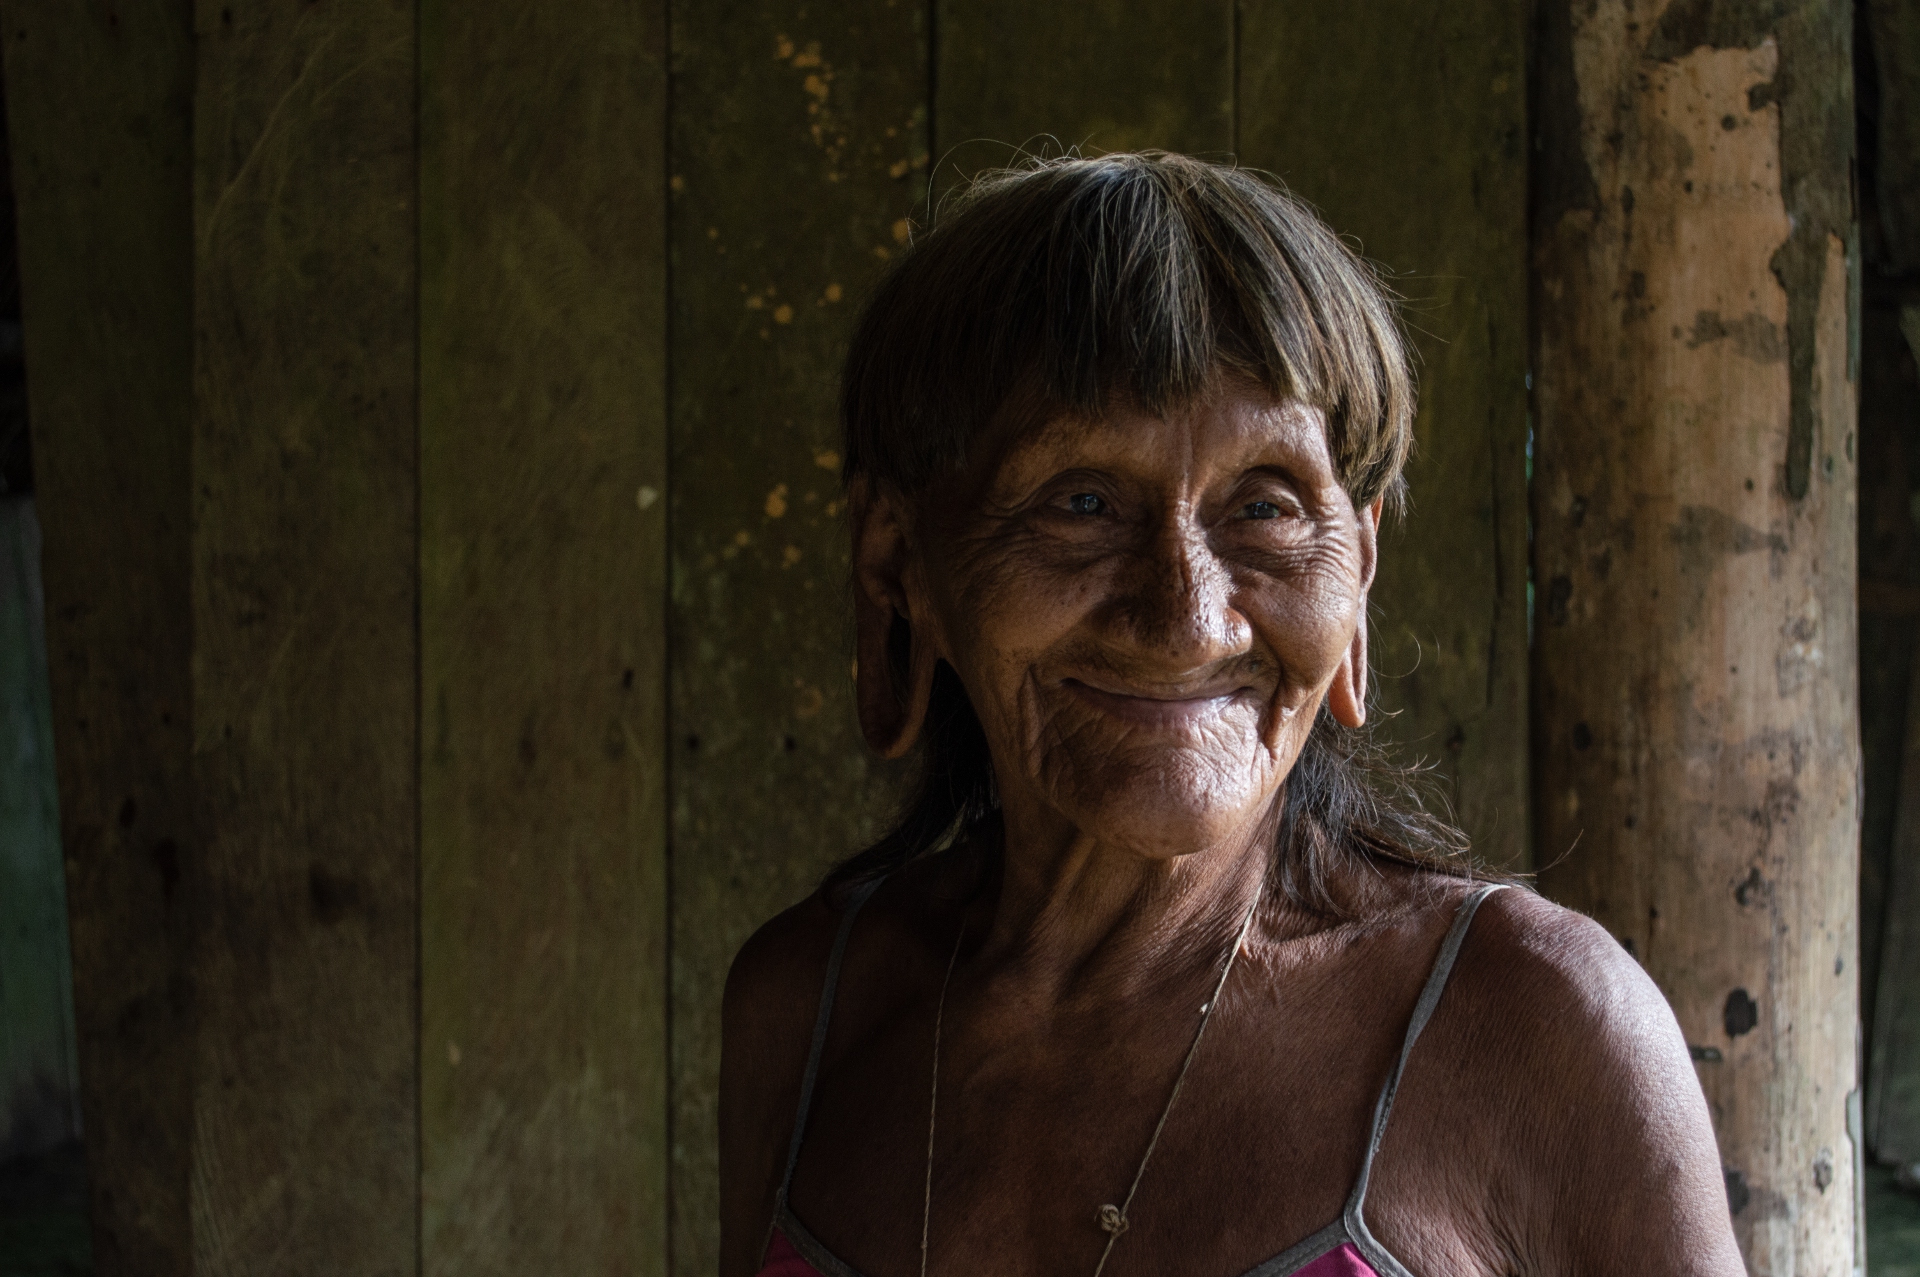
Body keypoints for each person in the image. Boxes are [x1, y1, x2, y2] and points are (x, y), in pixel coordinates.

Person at [719, 152, 1741, 1277]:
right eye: (1084, 501)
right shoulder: (808, 1008)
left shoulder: (1538, 1029)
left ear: (1355, 580)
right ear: (897, 568)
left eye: (1265, 506)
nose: (1188, 619)